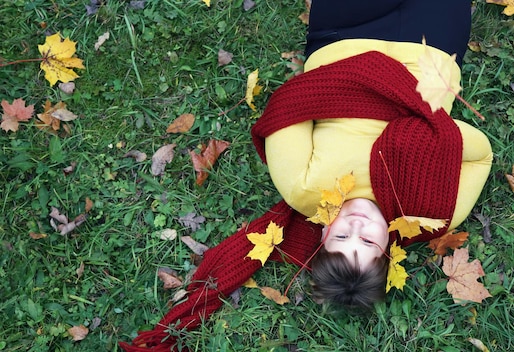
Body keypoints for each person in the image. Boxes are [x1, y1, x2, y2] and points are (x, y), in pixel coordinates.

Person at [120, 1, 492, 351]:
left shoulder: (304, 189)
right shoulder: (431, 215)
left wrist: (384, 100)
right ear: (388, 250)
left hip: (344, 38)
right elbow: (480, 158)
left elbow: (288, 109)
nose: (358, 226)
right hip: (432, 48)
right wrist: (435, 129)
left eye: (343, 236)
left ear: (325, 233)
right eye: (368, 243)